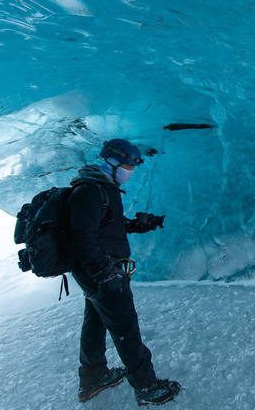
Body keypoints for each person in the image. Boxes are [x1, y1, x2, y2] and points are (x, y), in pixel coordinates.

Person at [69, 139, 181, 405]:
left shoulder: (102, 188)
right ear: (112, 161)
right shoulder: (91, 191)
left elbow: (105, 227)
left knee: (95, 323)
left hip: (97, 270)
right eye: (128, 164)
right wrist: (104, 274)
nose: (130, 170)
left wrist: (139, 225)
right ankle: (146, 386)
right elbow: (83, 239)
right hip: (103, 270)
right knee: (125, 328)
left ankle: (94, 376)